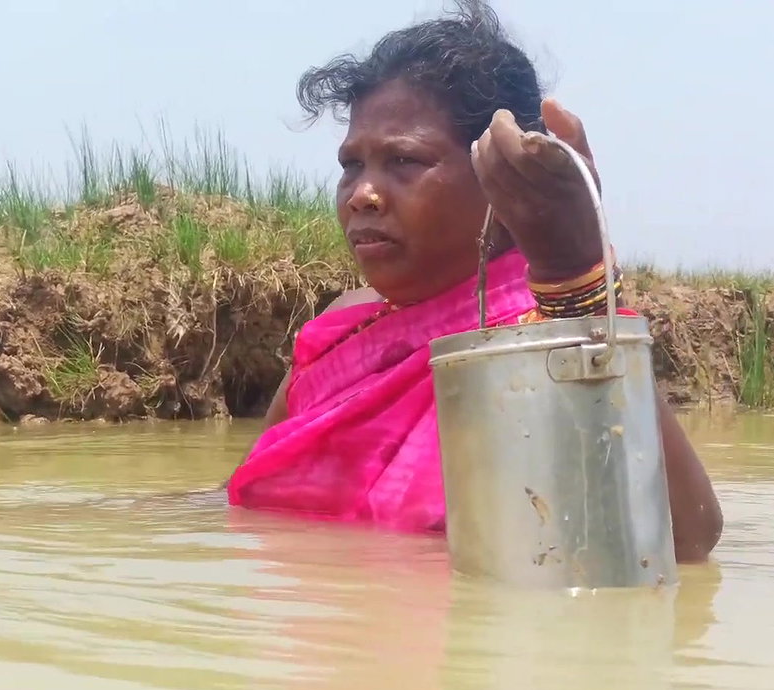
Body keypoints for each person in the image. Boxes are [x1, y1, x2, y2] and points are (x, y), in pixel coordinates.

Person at [225, 0, 723, 563]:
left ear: (497, 173)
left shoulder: (551, 335)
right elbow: (245, 497)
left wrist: (574, 287)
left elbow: (685, 540)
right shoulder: (343, 332)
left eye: (405, 162)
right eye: (351, 164)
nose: (363, 193)